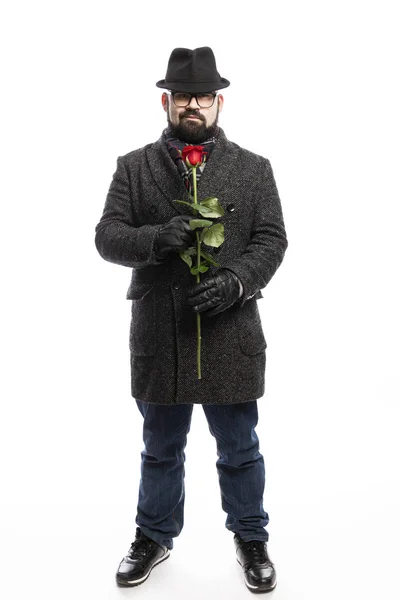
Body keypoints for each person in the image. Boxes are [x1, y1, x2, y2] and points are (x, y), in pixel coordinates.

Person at [94, 46, 288, 594]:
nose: (193, 106)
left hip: (231, 331)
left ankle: (251, 538)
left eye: (203, 97)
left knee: (240, 447)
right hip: (160, 334)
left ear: (219, 102)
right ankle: (153, 536)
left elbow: (272, 239)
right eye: (183, 97)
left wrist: (238, 281)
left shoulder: (254, 170)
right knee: (159, 446)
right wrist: (155, 239)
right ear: (167, 102)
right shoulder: (133, 168)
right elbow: (107, 236)